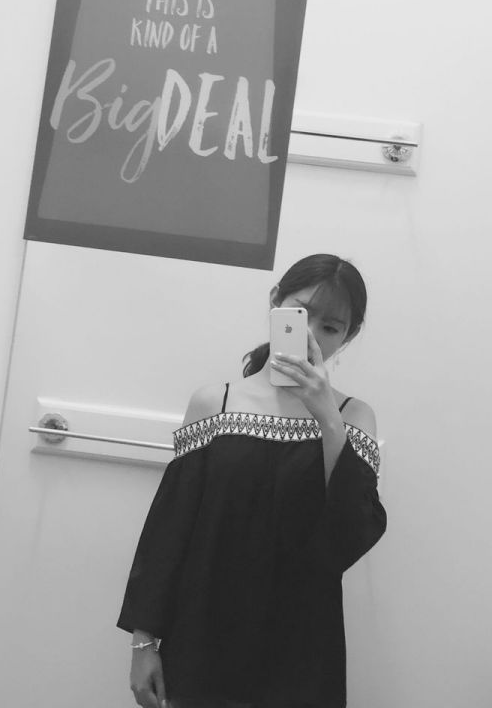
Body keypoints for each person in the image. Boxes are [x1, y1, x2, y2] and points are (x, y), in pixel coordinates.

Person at [118, 254, 387, 708]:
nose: (311, 335)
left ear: (349, 335)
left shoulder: (352, 417)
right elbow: (169, 532)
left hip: (302, 648)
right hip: (202, 636)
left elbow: (351, 534)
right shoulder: (215, 404)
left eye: (330, 327)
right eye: (300, 313)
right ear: (275, 302)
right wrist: (144, 642)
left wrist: (327, 416)